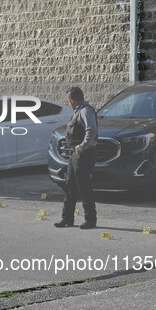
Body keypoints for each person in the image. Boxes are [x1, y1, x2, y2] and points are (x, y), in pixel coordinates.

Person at [55, 87, 98, 229]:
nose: (68, 103)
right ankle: (67, 218)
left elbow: (91, 130)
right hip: (75, 154)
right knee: (70, 186)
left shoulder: (86, 111)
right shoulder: (78, 111)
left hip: (83, 154)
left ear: (72, 100)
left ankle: (90, 219)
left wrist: (83, 146)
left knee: (84, 187)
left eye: (68, 101)